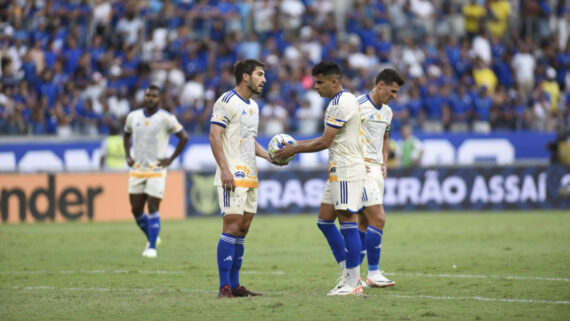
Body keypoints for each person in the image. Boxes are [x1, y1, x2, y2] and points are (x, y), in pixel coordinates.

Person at [274, 61, 365, 296]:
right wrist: (295, 146)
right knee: (324, 221)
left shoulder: (340, 103)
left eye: (320, 82)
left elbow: (325, 142)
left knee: (347, 219)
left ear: (334, 82)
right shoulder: (340, 101)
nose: (315, 87)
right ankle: (347, 274)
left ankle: (354, 282)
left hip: (346, 167)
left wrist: (293, 148)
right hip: (338, 168)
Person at [209, 59, 283, 298]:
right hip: (232, 175)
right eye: (260, 74)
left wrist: (269, 157)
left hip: (251, 174)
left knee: (243, 230)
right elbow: (214, 135)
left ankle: (236, 284)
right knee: (230, 227)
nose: (264, 80)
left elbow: (249, 141)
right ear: (245, 77)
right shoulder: (226, 101)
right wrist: (225, 170)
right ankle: (224, 287)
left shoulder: (253, 106)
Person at [123, 85, 189, 258]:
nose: (150, 98)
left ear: (160, 99)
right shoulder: (133, 116)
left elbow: (184, 136)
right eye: (147, 95)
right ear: (144, 97)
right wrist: (127, 156)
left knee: (152, 206)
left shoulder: (166, 118)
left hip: (156, 169)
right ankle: (153, 236)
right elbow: (126, 134)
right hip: (137, 170)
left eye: (154, 96)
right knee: (136, 210)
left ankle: (151, 246)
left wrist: (171, 159)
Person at [356, 68, 404, 287]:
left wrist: (384, 162)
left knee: (365, 222)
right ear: (380, 85)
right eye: (392, 91)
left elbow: (385, 138)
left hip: (377, 170)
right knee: (379, 218)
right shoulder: (356, 106)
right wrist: (355, 161)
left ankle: (354, 274)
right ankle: (373, 273)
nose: (394, 96)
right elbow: (341, 135)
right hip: (360, 169)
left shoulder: (387, 112)